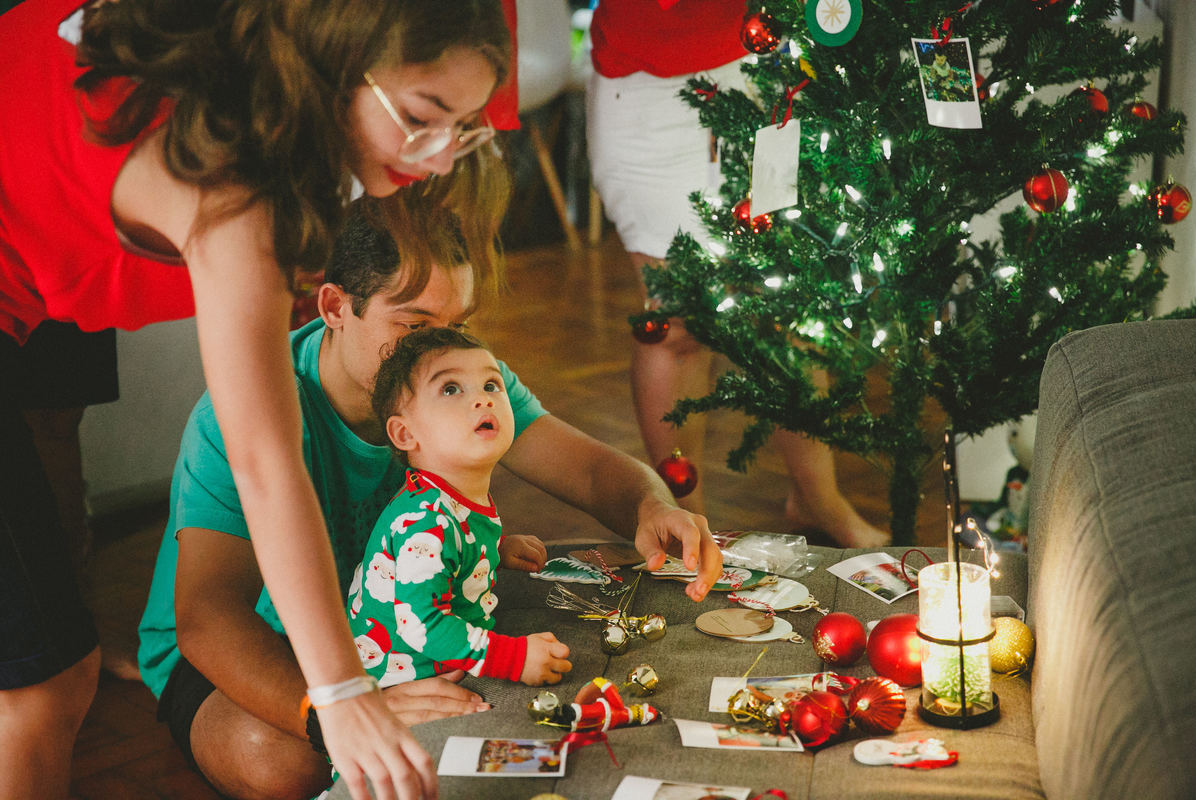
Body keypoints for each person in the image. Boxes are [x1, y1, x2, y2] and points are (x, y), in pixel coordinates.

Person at [1, 1, 518, 798]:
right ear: (338, 66)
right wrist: (341, 696)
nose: (443, 158)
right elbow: (266, 463)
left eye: (465, 125)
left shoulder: (247, 64)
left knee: (47, 677)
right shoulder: (233, 185)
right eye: (422, 117)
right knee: (42, 686)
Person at [137, 202, 721, 800]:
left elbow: (592, 471)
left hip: (387, 629)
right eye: (413, 326)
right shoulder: (244, 409)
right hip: (257, 648)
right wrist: (340, 712)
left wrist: (652, 507)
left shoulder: (451, 374)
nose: (438, 347)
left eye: (458, 324)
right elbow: (208, 619)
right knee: (283, 763)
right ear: (336, 307)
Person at [586, 0, 888, 548]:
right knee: (675, 322)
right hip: (649, 84)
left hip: (759, 64)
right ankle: (686, 523)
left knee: (788, 307)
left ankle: (818, 498)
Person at [350, 326, 570, 689]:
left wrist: (493, 550)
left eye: (491, 385)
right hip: (406, 678)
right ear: (405, 434)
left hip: (445, 657)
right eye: (450, 389)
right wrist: (513, 659)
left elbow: (447, 554)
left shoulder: (449, 496)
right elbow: (421, 622)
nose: (483, 400)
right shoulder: (426, 523)